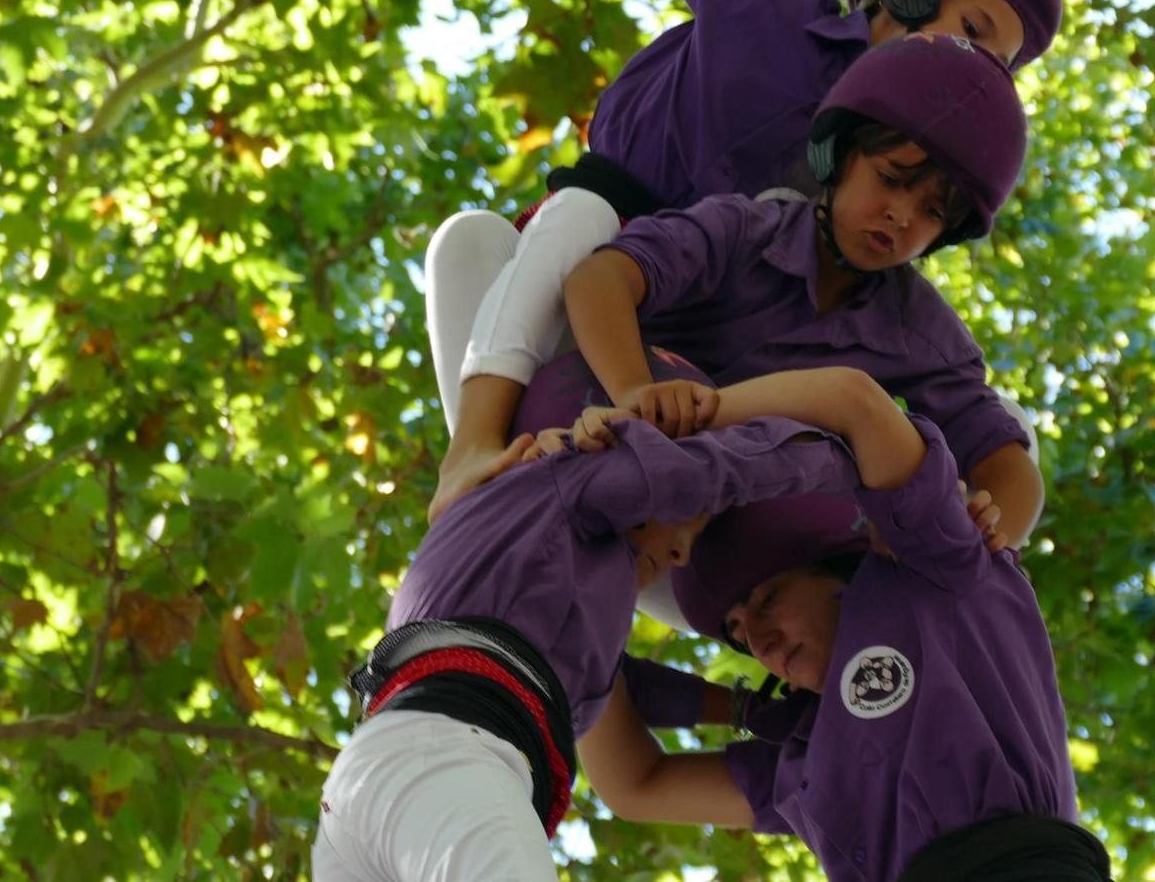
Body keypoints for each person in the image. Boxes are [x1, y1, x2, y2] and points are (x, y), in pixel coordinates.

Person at [429, 0, 1065, 524]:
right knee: (576, 213)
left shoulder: (867, 205)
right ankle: (471, 447)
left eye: (1000, 62)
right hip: (613, 252)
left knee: (1004, 421)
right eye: (976, 26)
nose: (981, 63)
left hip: (719, 339)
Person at [311, 353, 929, 881]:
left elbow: (621, 685)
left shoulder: (568, 598)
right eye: (695, 517)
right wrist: (864, 471)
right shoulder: (568, 476)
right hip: (442, 756)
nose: (683, 552)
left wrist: (745, 711)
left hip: (376, 793)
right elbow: (716, 464)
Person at [569, 377, 1110, 882]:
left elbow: (853, 400)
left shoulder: (934, 576)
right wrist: (585, 586)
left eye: (770, 599)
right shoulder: (802, 764)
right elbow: (638, 783)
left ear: (842, 573)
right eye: (737, 635)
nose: (760, 642)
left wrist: (663, 431)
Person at [562, 31, 1046, 556]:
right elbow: (600, 279)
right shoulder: (741, 229)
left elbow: (1004, 460)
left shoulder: (920, 332)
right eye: (889, 178)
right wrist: (634, 388)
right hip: (603, 438)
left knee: (1012, 430)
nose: (901, 216)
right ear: (839, 156)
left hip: (723, 537)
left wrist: (983, 536)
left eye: (933, 213)